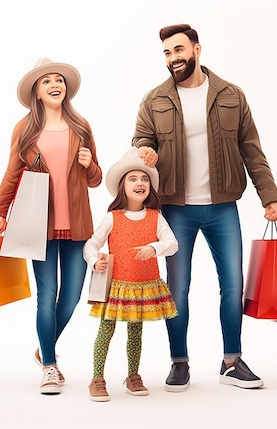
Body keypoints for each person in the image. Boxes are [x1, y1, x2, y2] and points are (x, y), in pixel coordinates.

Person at [132, 24, 277, 391]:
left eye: (179, 50)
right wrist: (143, 150)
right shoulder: (154, 100)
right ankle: (179, 362)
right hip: (176, 208)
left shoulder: (231, 95)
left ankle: (232, 362)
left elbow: (252, 150)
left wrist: (271, 196)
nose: (173, 58)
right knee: (178, 287)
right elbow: (140, 138)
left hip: (222, 206)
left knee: (234, 284)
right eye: (167, 53)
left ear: (197, 50)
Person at [0, 57, 102, 395]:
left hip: (78, 224)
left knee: (70, 298)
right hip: (39, 224)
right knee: (46, 296)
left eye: (59, 80)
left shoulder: (81, 125)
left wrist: (90, 163)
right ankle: (50, 367)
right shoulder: (25, 129)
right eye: (47, 81)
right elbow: (12, 174)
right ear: (37, 92)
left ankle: (45, 346)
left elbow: (95, 180)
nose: (55, 85)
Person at [83, 147, 179, 402]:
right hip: (115, 286)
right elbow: (91, 244)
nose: (140, 183)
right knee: (106, 331)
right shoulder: (112, 218)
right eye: (133, 179)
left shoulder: (156, 218)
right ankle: (97, 378)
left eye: (144, 179)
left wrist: (153, 248)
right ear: (122, 186)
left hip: (143, 285)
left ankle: (133, 376)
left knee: (136, 332)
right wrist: (94, 261)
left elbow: (172, 243)